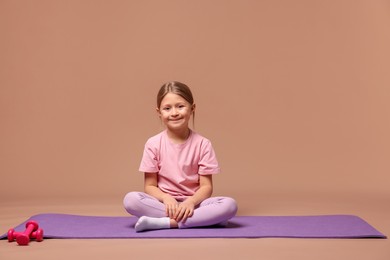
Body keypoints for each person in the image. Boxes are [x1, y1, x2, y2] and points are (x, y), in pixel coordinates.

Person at [123, 81, 237, 232]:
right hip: (165, 204)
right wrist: (166, 198)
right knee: (131, 200)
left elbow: (206, 187)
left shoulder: (203, 144)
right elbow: (149, 186)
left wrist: (191, 202)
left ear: (192, 108)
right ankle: (204, 220)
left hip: (194, 204)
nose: (174, 113)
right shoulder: (153, 144)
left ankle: (164, 223)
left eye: (180, 106)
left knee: (229, 205)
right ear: (159, 112)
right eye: (167, 108)